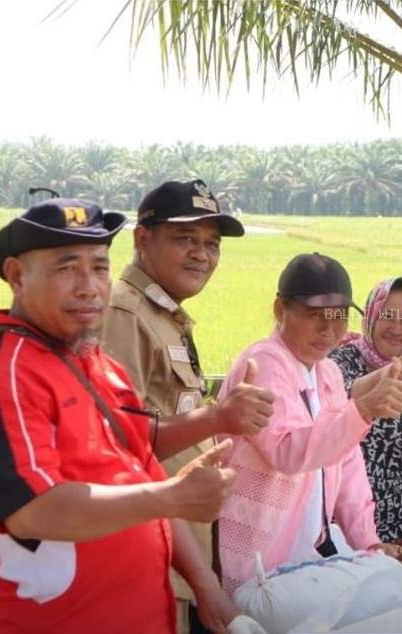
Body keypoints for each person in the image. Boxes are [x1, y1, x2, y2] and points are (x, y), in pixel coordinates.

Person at [0, 199, 238, 633]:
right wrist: (171, 496)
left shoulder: (101, 367)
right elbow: (34, 510)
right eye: (67, 268)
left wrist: (204, 584)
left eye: (100, 268)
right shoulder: (1, 371)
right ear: (16, 276)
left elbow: (143, 468)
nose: (89, 286)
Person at [101, 179, 272, 633]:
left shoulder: (165, 314)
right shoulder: (125, 314)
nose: (202, 254)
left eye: (211, 244)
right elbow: (118, 446)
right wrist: (218, 417)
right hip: (150, 550)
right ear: (142, 239)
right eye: (185, 239)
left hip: (180, 549)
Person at [216, 253, 402, 593]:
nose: (329, 330)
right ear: (281, 311)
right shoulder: (265, 362)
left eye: (338, 317)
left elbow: (347, 462)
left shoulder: (328, 372)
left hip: (303, 555)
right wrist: (362, 410)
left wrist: (368, 541)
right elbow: (287, 451)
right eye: (315, 316)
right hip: (256, 560)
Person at [330, 277, 402, 566]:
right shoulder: (336, 363)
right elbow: (335, 398)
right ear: (371, 316)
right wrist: (385, 376)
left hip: (393, 536)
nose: (397, 329)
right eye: (388, 316)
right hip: (333, 532)